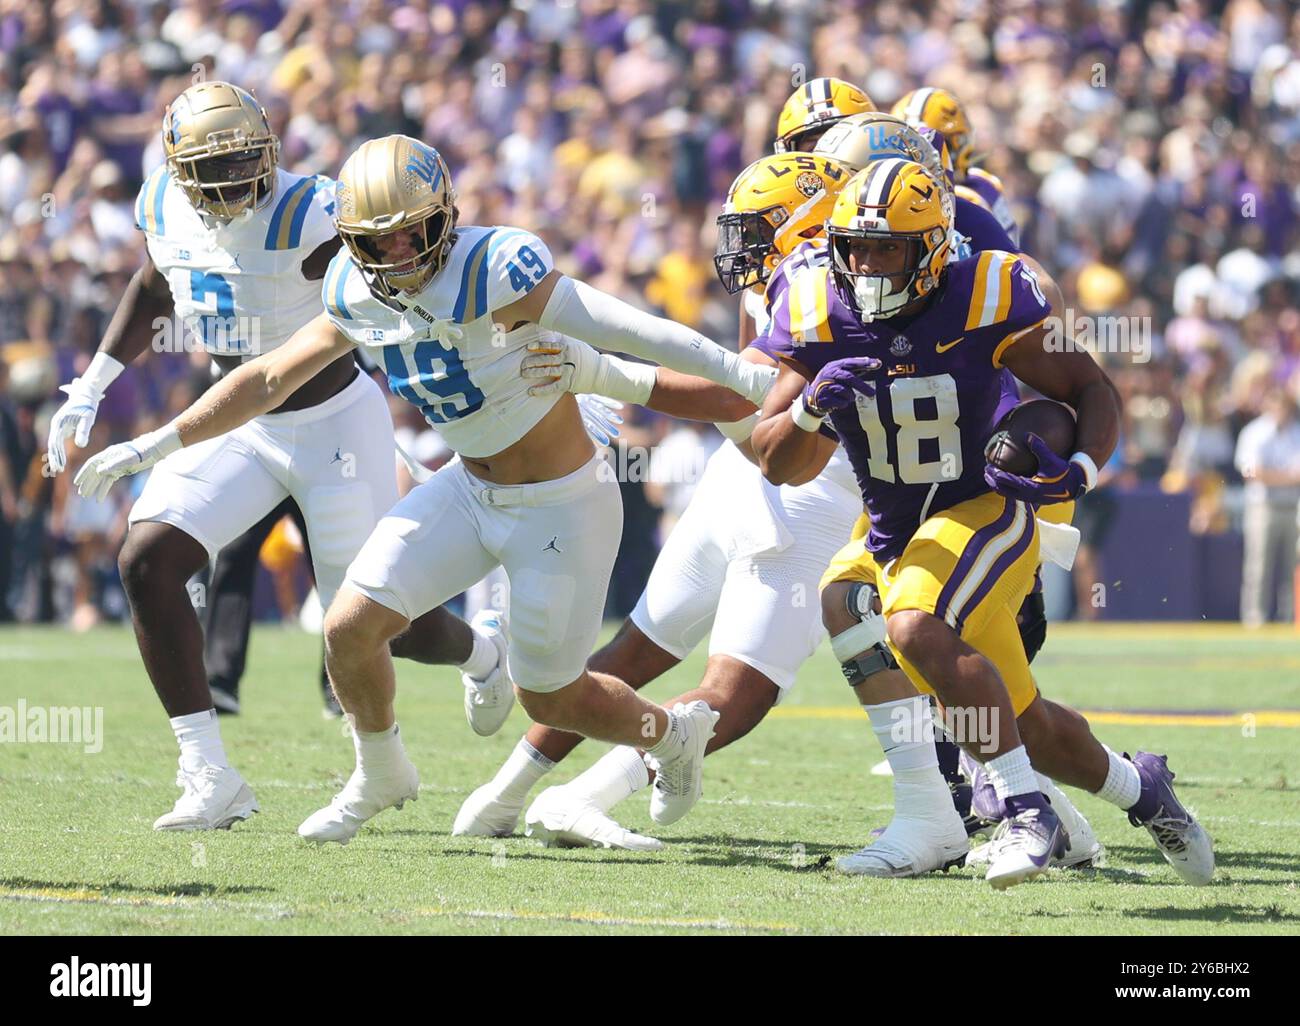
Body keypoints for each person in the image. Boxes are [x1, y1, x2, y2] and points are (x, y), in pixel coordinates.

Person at [75, 133, 777, 846]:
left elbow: (637, 333)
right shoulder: (352, 285)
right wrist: (157, 443)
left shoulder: (498, 266)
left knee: (552, 696)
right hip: (468, 490)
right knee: (348, 625)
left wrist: (747, 377)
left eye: (414, 232)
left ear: (446, 214)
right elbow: (265, 377)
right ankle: (379, 772)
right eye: (378, 242)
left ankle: (668, 736)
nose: (400, 253)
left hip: (562, 505)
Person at [750, 159, 1213, 889]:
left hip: (981, 505)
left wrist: (1083, 472)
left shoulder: (983, 294)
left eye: (888, 248)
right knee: (1015, 716)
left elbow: (1089, 385)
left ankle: (1026, 811)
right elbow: (775, 460)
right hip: (892, 527)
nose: (867, 264)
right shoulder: (818, 310)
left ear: (933, 248)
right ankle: (1142, 790)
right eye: (856, 246)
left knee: (909, 625)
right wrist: (808, 407)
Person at [49, 84, 487, 832]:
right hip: (238, 422)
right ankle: (209, 774)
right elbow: (155, 281)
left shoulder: (311, 209)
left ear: (271, 147)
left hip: (334, 423)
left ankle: (483, 655)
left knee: (380, 624)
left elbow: (404, 274)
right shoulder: (159, 204)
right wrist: (90, 386)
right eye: (214, 168)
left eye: (246, 158)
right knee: (146, 560)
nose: (233, 181)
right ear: (179, 171)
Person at [452, 151, 863, 849]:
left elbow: (743, 389)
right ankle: (568, 797)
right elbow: (745, 387)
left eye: (760, 231)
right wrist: (610, 377)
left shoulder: (820, 279)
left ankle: (508, 793)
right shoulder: (824, 277)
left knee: (638, 651)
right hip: (795, 488)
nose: (742, 251)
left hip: (764, 482)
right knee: (734, 688)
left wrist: (604, 375)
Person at [1235, 386, 1300, 626]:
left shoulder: (1296, 432)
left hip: (1292, 506)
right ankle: (1254, 618)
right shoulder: (1255, 433)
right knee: (1258, 566)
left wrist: (1271, 476)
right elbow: (1250, 472)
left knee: (1291, 567)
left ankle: (1290, 617)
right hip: (1263, 507)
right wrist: (1287, 478)